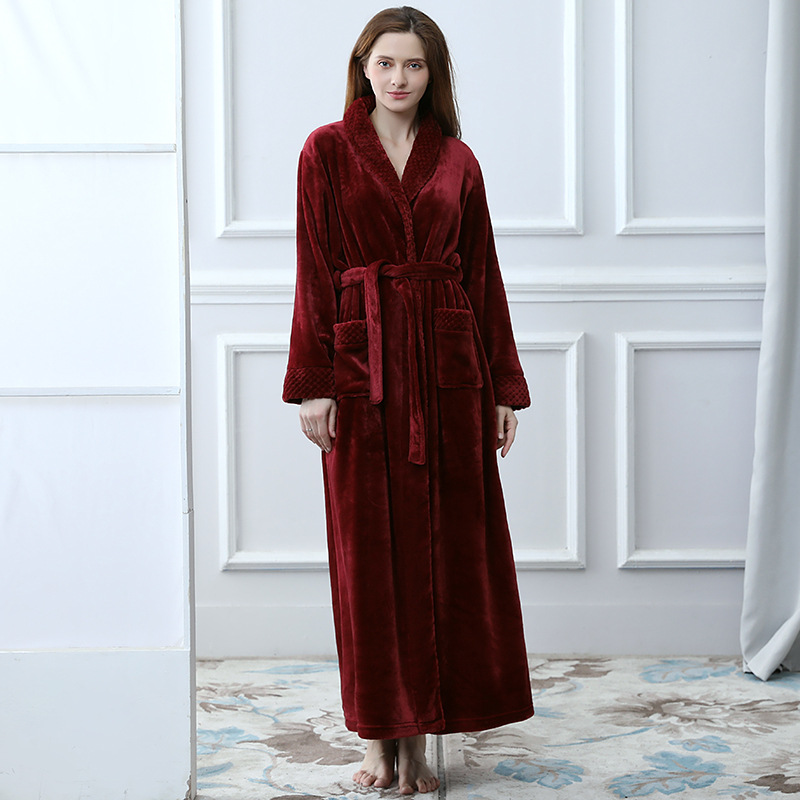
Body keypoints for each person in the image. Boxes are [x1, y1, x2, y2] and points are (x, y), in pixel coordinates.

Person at [283, 6, 533, 794]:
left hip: (449, 375)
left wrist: (502, 387)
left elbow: (483, 276)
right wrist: (315, 383)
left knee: (445, 558)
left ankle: (422, 737)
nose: (399, 78)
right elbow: (313, 269)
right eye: (386, 63)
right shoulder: (326, 150)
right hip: (364, 373)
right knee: (369, 561)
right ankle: (376, 737)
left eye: (415, 65)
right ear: (363, 67)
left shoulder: (457, 159)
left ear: (434, 74)